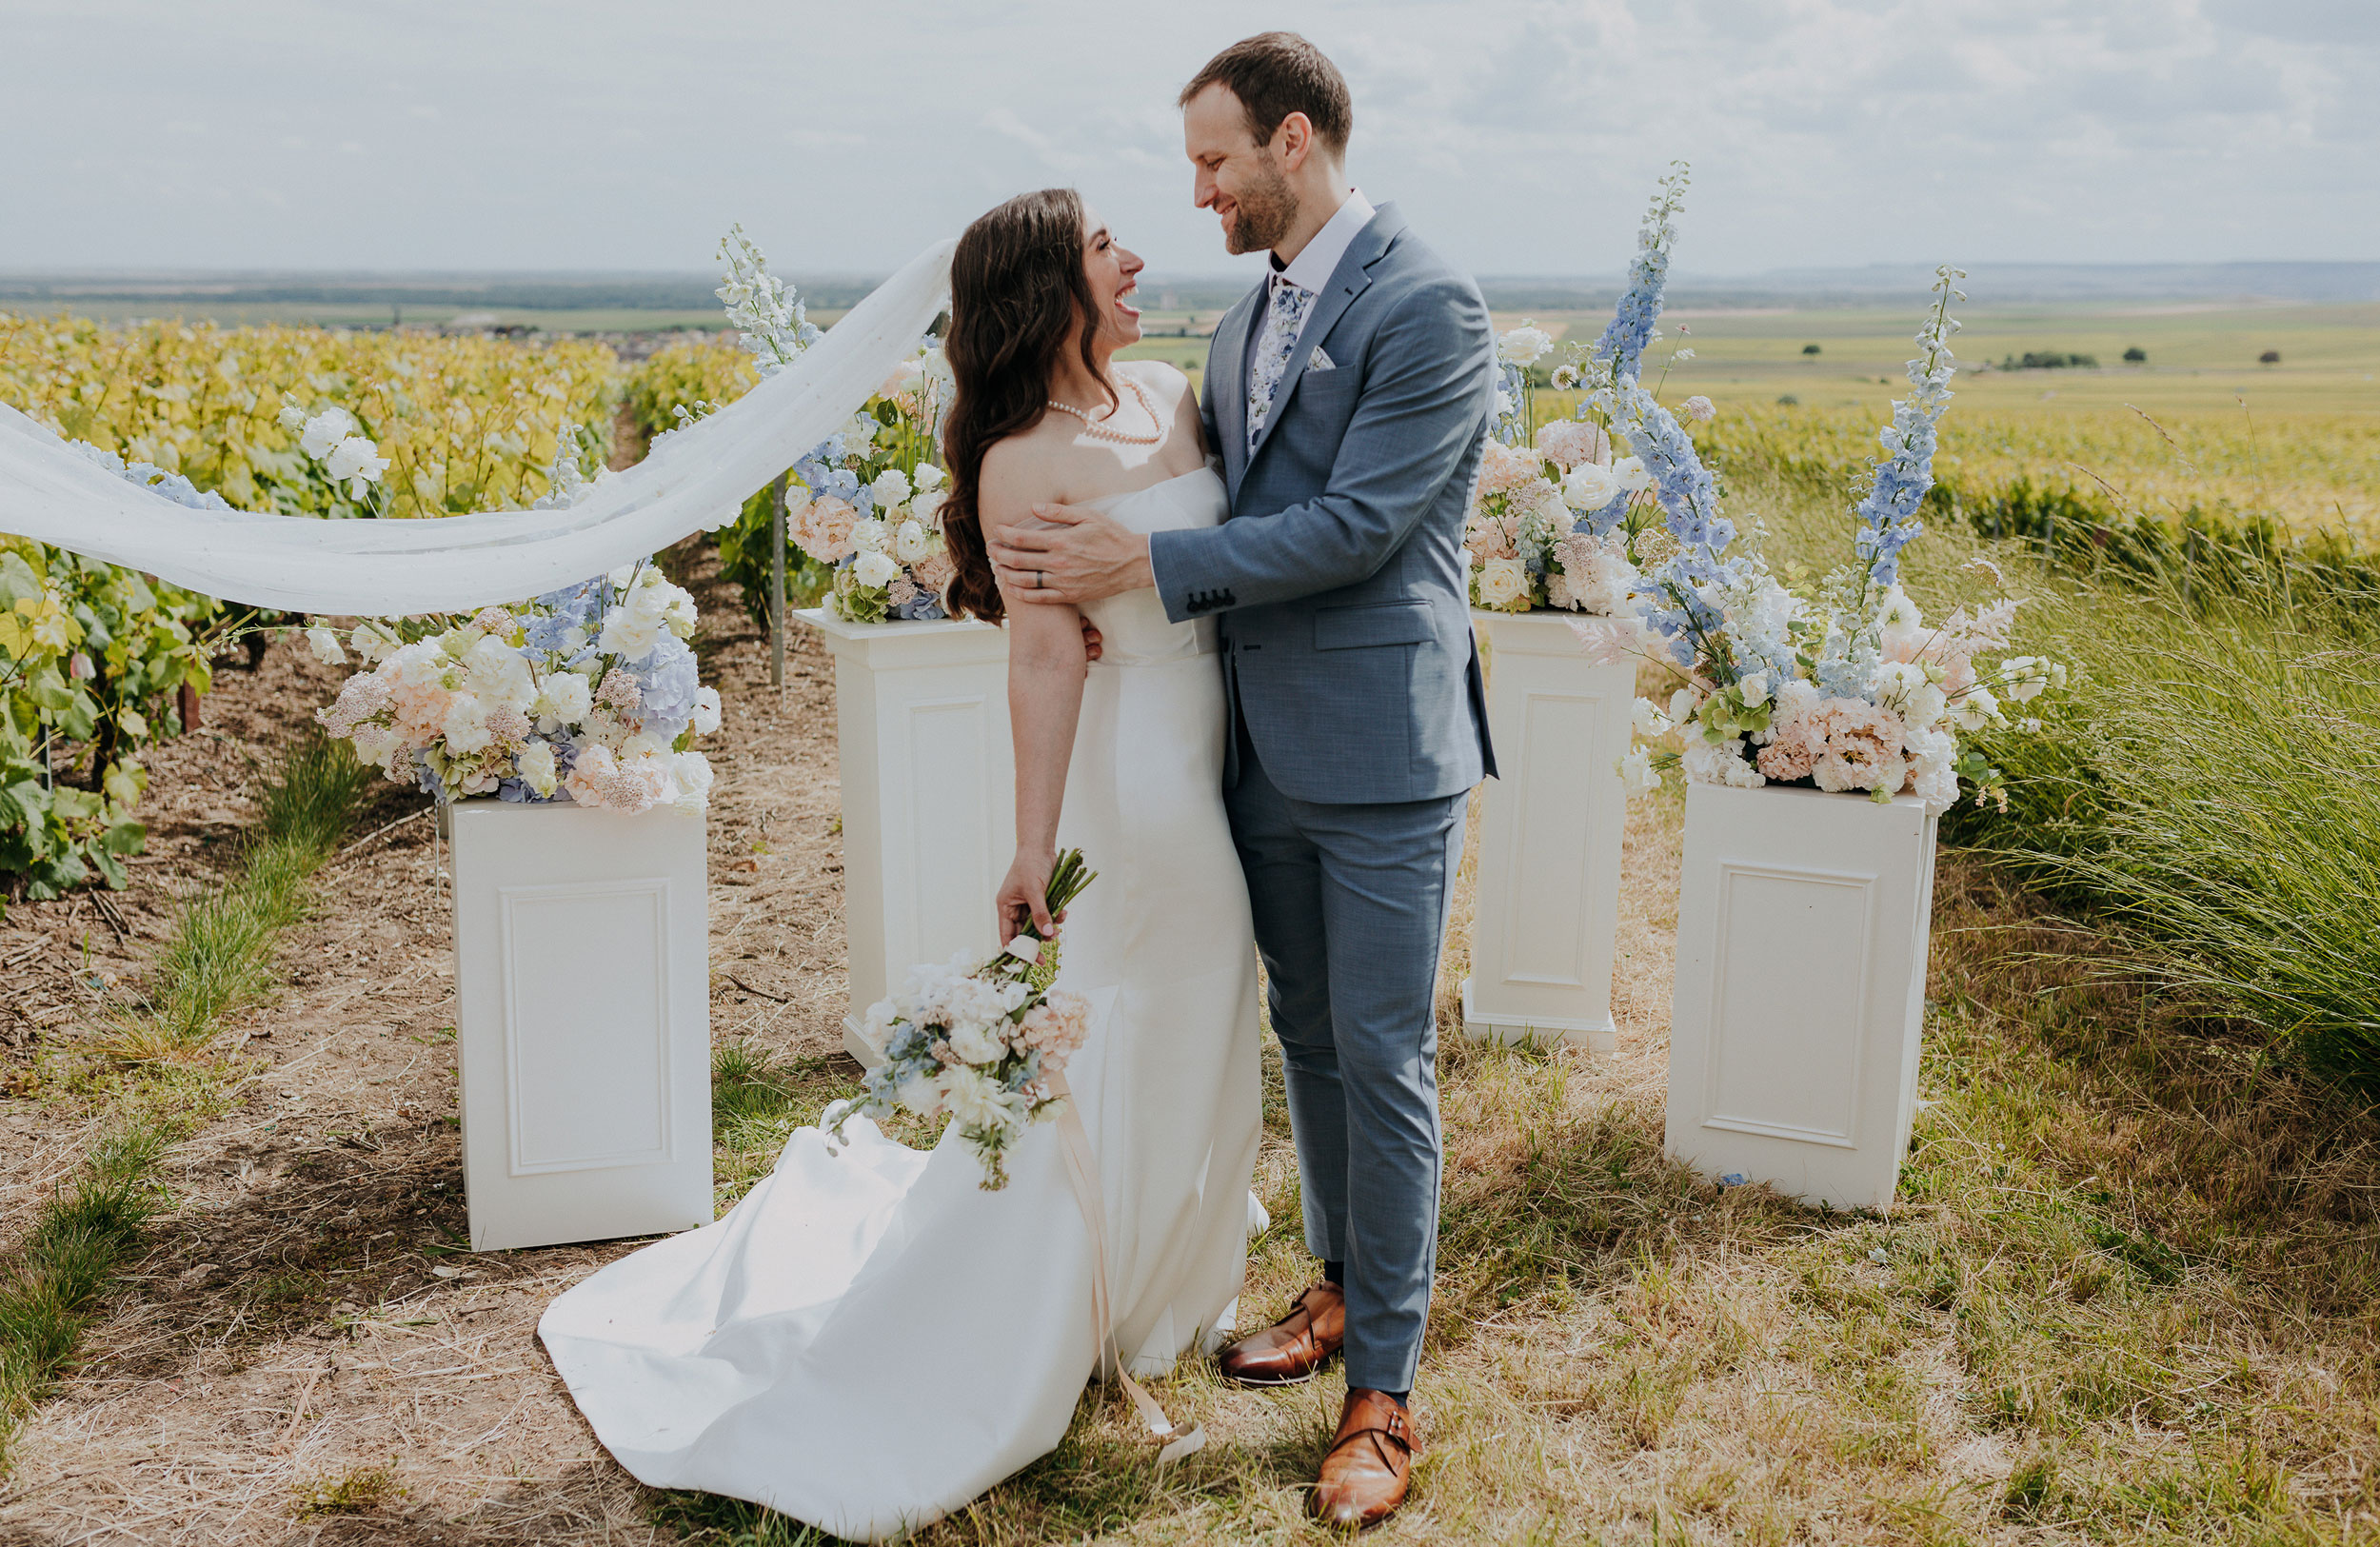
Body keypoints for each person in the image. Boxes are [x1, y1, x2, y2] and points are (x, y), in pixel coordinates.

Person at [539, 188, 1264, 1543]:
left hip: (1229, 739)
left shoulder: (1173, 390)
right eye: (1110, 247)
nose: (1139, 259)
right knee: (1146, 1011)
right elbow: (1044, 653)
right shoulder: (1019, 460)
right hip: (1146, 779)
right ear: (1051, 287)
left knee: (1213, 1013)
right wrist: (1034, 841)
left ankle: (1169, 1279)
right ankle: (1077, 1298)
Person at [986, 30, 1496, 1529]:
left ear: (1292, 141)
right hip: (1250, 753)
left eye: (1212, 159)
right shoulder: (1231, 328)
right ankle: (1340, 1289)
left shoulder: (1430, 305)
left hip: (1387, 749)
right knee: (1313, 1040)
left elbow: (1359, 528)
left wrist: (1144, 561)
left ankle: (1384, 1397)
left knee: (1388, 1058)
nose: (1195, 190)